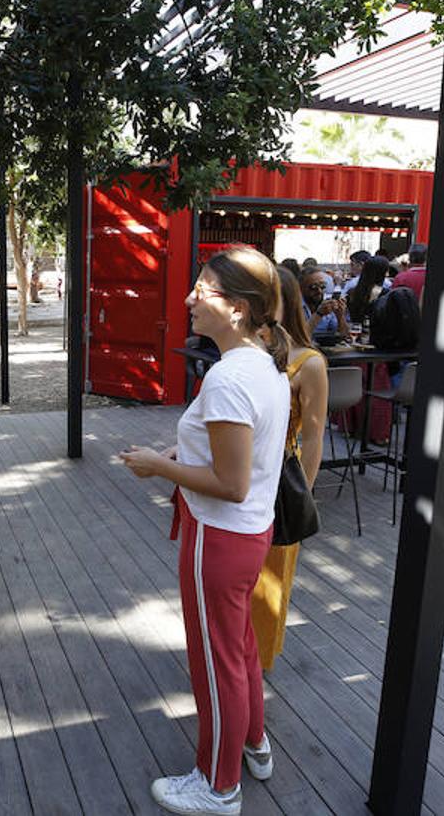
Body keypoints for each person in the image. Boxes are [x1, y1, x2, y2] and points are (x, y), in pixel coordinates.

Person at [120, 248, 292, 816]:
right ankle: (254, 744)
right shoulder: (263, 364)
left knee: (215, 665)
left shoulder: (226, 379)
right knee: (239, 646)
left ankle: (218, 786)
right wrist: (183, 449)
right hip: (249, 535)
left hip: (218, 536)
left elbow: (230, 481)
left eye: (203, 290)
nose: (189, 299)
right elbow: (241, 454)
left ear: (238, 309)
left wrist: (158, 464)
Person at [250, 266, 327, 673]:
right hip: (236, 475)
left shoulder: (309, 363)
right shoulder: (249, 350)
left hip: (279, 480)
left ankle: (256, 666)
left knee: (269, 581)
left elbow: (314, 437)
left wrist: (304, 498)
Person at [300, 268, 349, 341]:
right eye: (314, 287)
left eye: (322, 286)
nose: (319, 291)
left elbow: (344, 335)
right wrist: (319, 314)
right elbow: (300, 337)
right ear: (301, 288)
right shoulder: (295, 306)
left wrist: (340, 316)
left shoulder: (328, 302)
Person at [346, 255, 392, 325]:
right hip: (377, 334)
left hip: (357, 330)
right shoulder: (387, 295)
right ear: (384, 273)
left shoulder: (352, 292)